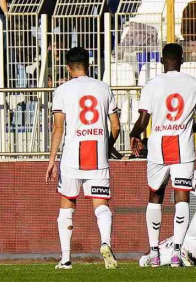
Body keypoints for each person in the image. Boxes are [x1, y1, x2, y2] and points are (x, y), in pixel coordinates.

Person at [129, 43, 196, 267]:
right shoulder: (195, 84)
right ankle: (176, 253)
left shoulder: (152, 84)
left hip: (157, 149)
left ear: (163, 61)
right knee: (182, 196)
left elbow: (143, 121)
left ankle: (155, 252)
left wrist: (134, 134)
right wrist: (184, 129)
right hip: (183, 149)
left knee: (155, 195)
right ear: (181, 59)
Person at [46, 46, 121, 270]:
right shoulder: (103, 88)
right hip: (97, 154)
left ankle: (66, 259)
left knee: (67, 204)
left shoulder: (62, 90)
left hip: (72, 156)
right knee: (101, 205)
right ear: (88, 65)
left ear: (69, 69)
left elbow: (58, 128)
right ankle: (106, 242)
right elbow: (116, 126)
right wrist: (107, 148)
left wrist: (51, 160)